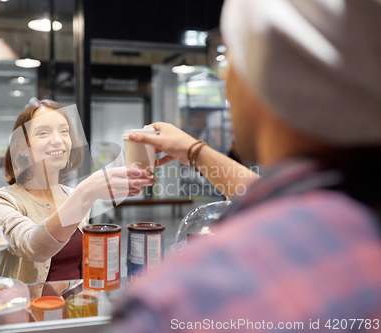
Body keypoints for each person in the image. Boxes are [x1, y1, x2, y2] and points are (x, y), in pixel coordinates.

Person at [110, 0, 381, 331]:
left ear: (255, 81)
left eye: (231, 62)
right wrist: (194, 152)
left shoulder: (184, 301)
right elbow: (296, 205)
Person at [0, 100, 152, 298]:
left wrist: (91, 295)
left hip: (74, 318)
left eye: (64, 131)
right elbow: (32, 246)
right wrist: (86, 192)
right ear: (23, 148)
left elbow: (86, 266)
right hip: (26, 319)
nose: (58, 140)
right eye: (43, 133)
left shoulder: (73, 197)